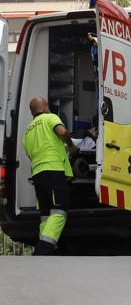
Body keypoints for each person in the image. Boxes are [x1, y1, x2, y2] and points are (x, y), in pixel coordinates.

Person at [22, 97, 78, 255]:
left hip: (38, 175)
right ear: (45, 107)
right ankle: (42, 250)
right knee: (59, 211)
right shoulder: (50, 117)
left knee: (45, 214)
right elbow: (63, 132)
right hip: (53, 170)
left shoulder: (27, 132)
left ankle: (45, 253)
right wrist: (72, 147)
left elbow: (29, 154)